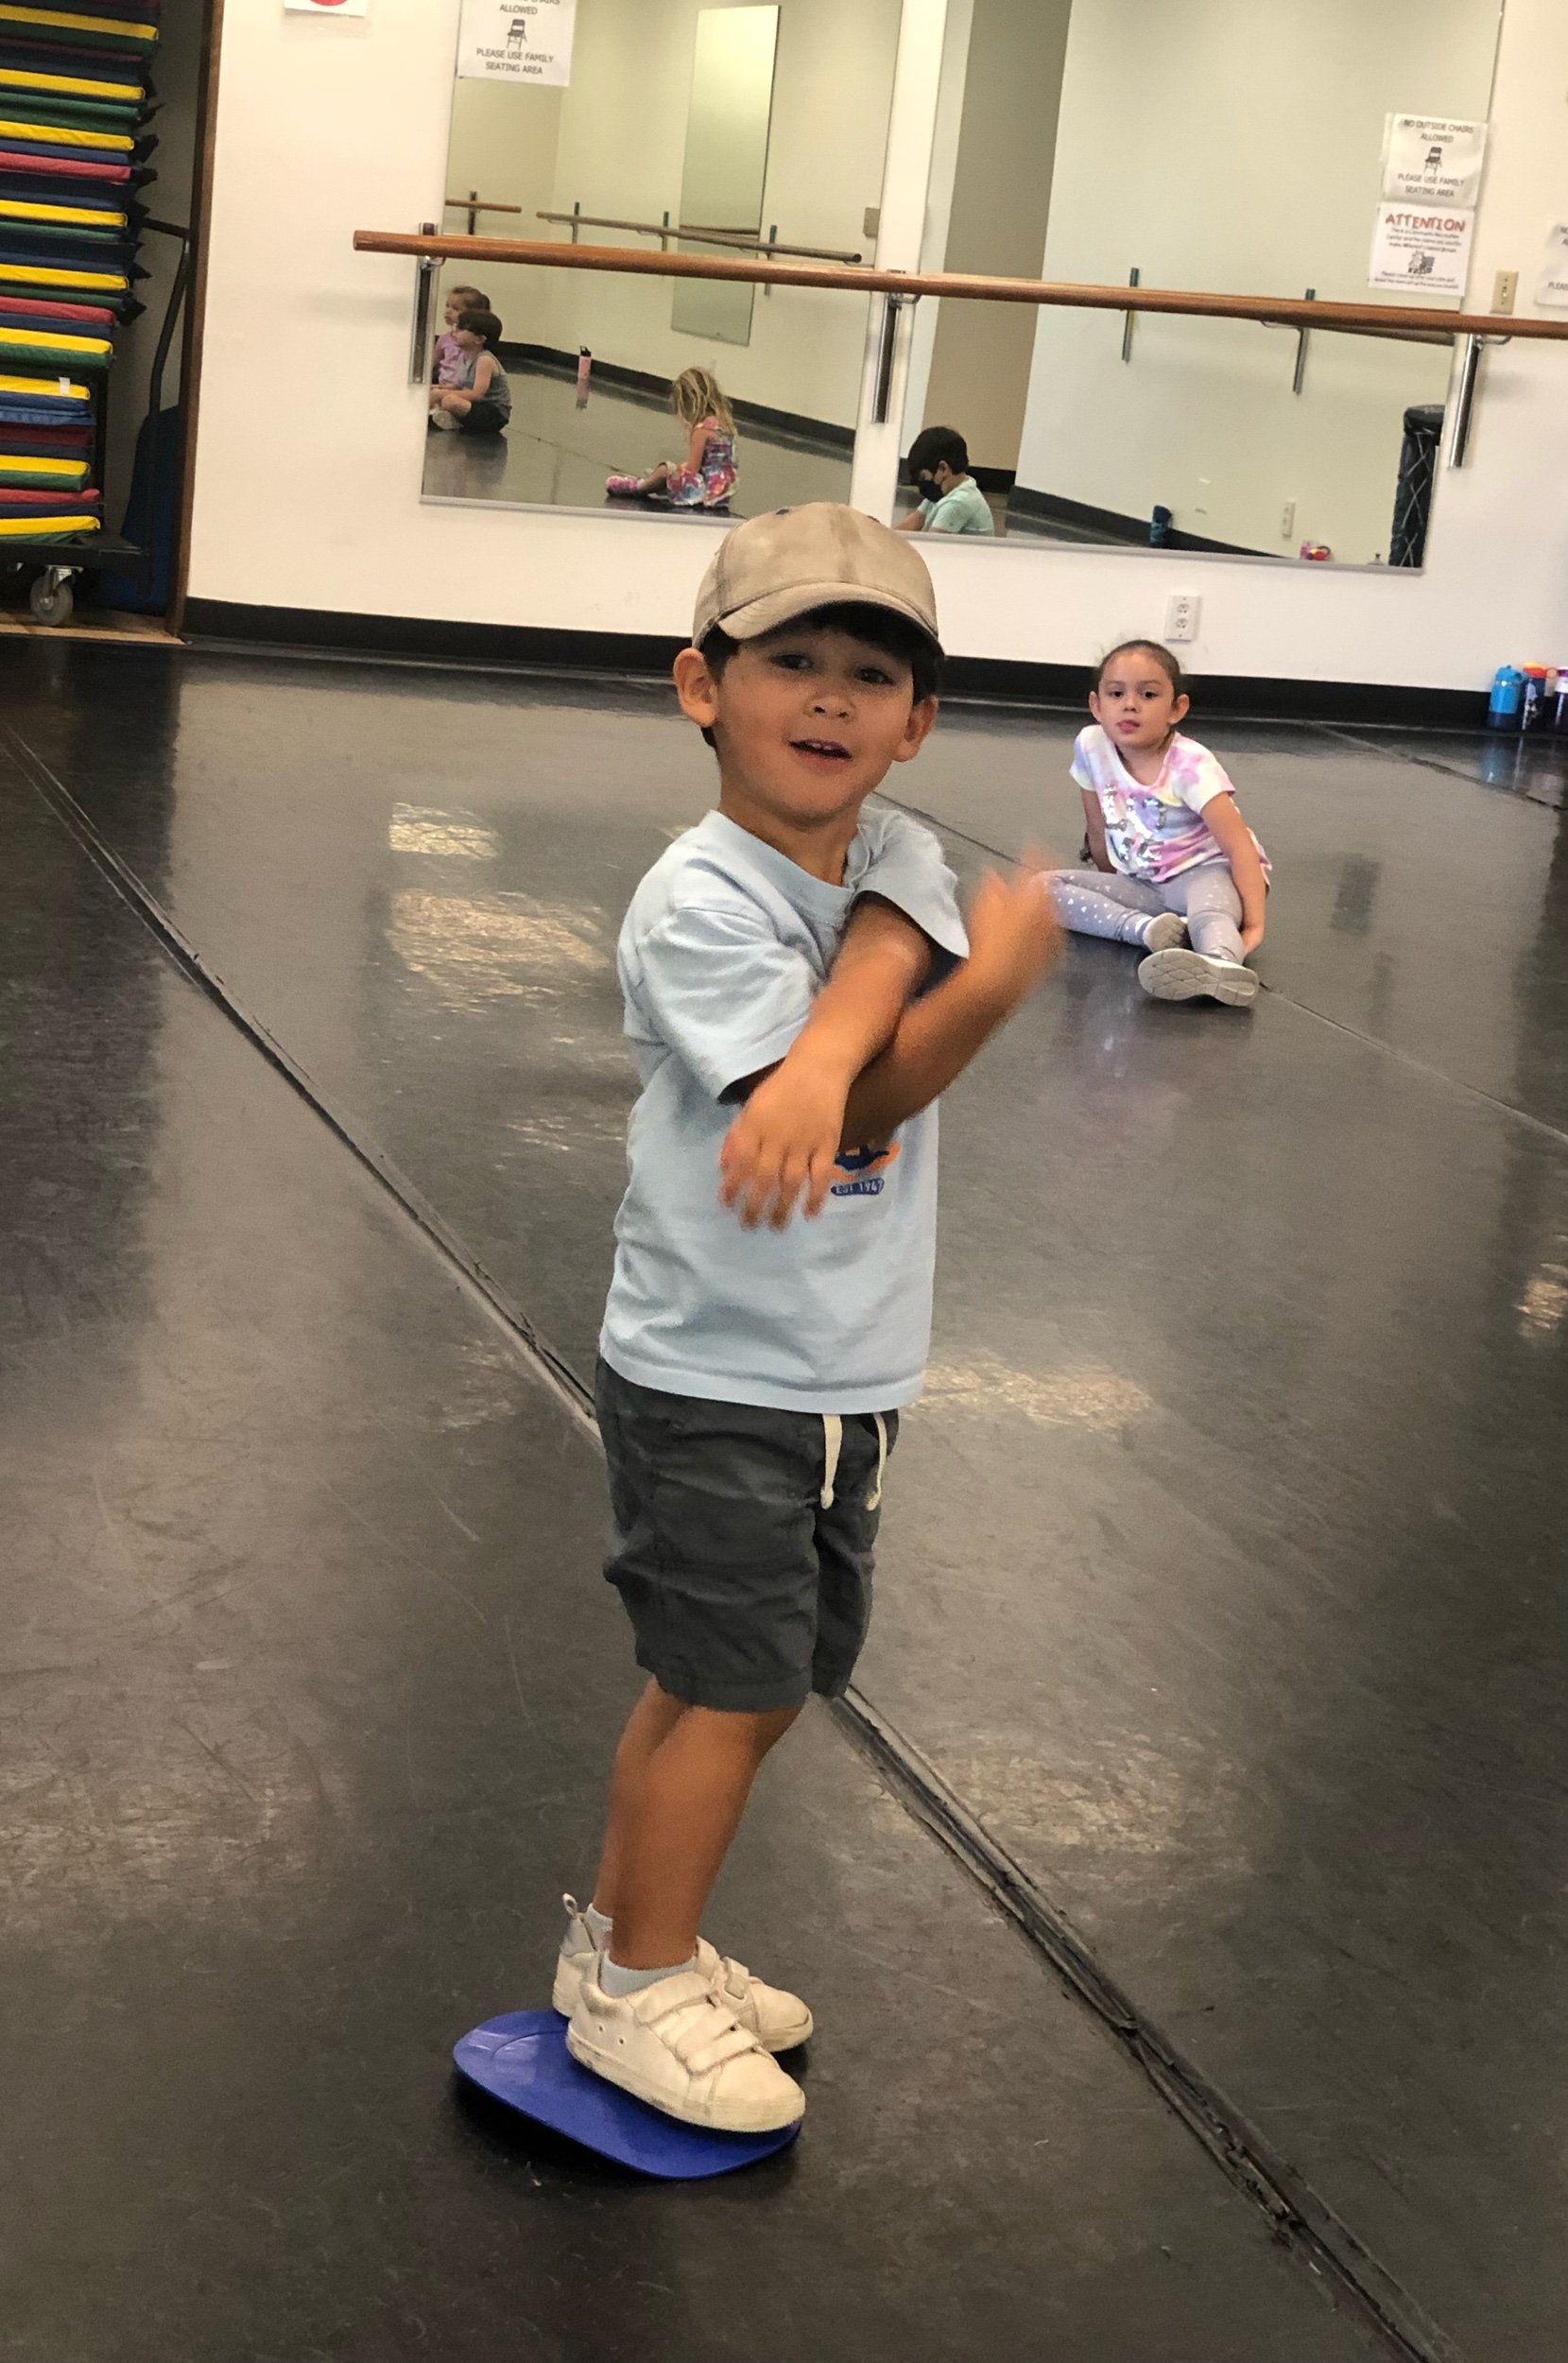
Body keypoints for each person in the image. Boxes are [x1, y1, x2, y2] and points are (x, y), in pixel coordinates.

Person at [553, 505, 1062, 2132]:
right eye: (793, 663)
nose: (832, 698)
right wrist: (976, 998)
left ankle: (618, 1938)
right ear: (703, 688)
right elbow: (858, 1105)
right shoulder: (694, 901)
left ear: (915, 723)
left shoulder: (893, 855)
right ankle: (639, 1984)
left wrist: (846, 1036)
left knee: (736, 1681)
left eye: (872, 675)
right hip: (715, 1371)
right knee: (730, 1688)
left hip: (841, 1367)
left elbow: (884, 945)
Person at [1043, 639, 1269, 1005]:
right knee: (1042, 888)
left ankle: (1222, 964)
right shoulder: (1091, 745)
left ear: (1176, 708)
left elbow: (1238, 846)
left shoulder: (1191, 765)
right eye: (1116, 693)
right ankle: (1146, 930)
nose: (1130, 704)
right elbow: (1097, 824)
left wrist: (1254, 923)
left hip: (1204, 874)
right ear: (1096, 705)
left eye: (1148, 695)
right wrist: (1112, 883)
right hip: (1144, 883)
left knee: (1210, 913)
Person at [605, 366, 736, 509]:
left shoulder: (701, 430)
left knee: (665, 470)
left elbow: (692, 470)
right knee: (672, 473)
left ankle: (640, 486)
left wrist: (676, 471)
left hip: (706, 492)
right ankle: (656, 483)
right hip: (723, 491)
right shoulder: (723, 425)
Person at [895, 425, 994, 537]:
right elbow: (914, 522)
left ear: (943, 468)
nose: (922, 485)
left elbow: (932, 542)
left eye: (923, 477)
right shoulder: (944, 492)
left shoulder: (958, 503)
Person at [428, 308, 512, 436]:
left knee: (450, 400)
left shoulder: (484, 360)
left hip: (493, 412)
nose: (455, 331)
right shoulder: (464, 356)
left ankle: (456, 421)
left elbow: (477, 394)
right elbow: (458, 386)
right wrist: (438, 388)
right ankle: (446, 416)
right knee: (439, 395)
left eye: (461, 329)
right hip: (475, 405)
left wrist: (442, 393)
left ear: (479, 339)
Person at [431, 283, 490, 388]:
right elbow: (431, 363)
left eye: (456, 309)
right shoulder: (444, 339)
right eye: (447, 306)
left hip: (463, 389)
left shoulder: (474, 342)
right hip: (442, 385)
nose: (448, 311)